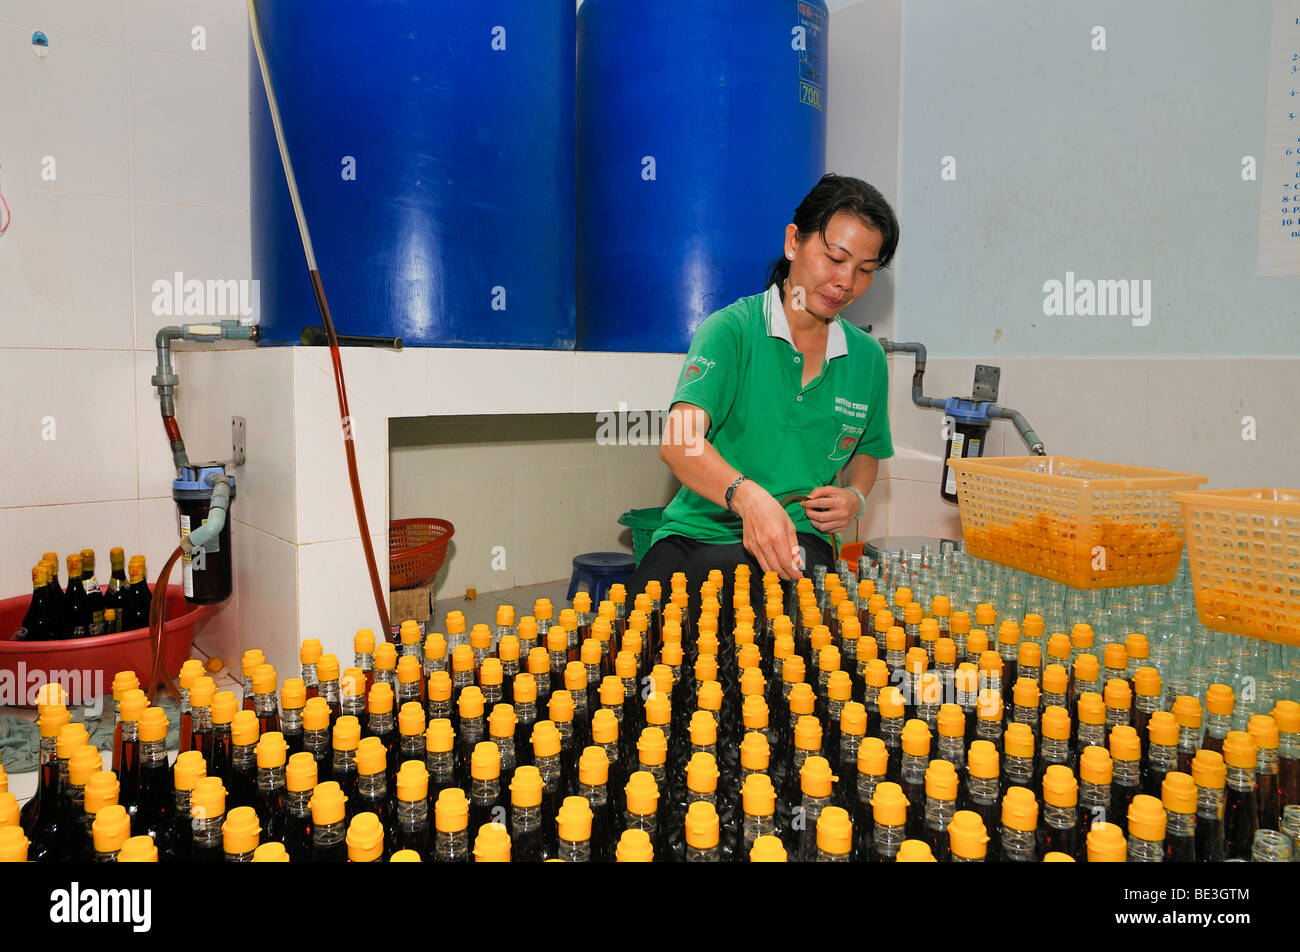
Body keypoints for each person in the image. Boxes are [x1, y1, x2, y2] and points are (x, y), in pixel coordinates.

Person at [625, 174, 898, 618]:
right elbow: (679, 442)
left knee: (760, 636)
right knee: (636, 643)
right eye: (834, 258)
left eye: (865, 270)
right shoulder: (731, 331)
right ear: (794, 242)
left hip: (797, 537)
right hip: (697, 530)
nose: (846, 282)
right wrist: (747, 496)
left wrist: (856, 498)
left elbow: (868, 452)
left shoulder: (866, 359)